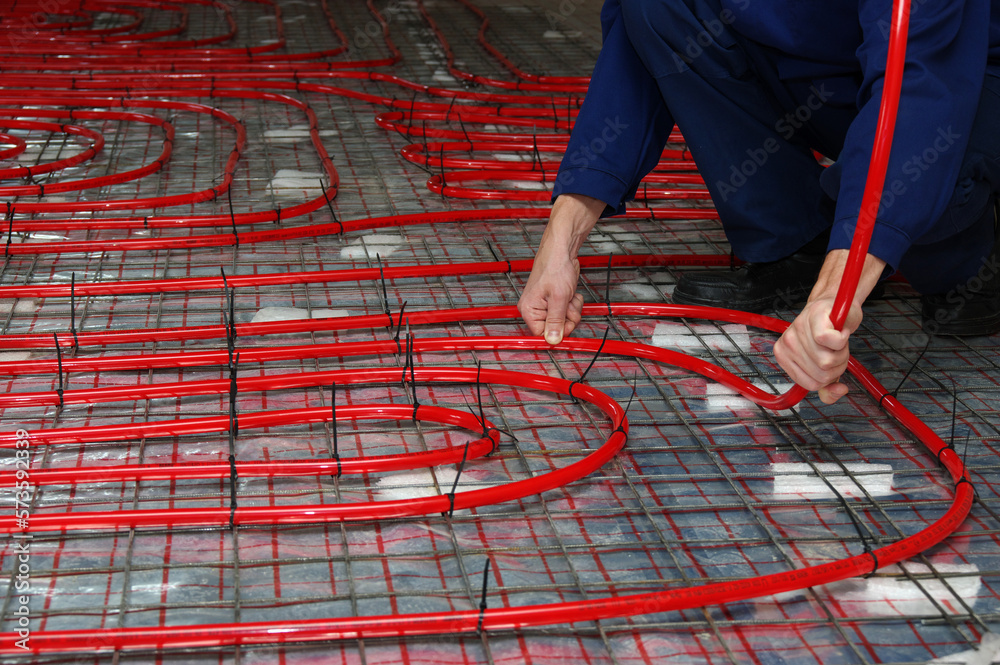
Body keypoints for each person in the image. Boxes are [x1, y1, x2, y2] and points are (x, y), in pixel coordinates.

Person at [518, 0, 1000, 404]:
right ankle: (795, 238)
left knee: (931, 194)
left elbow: (919, 83)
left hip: (957, 75)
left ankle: (971, 258)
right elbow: (633, 50)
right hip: (831, 62)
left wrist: (837, 292)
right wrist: (561, 240)